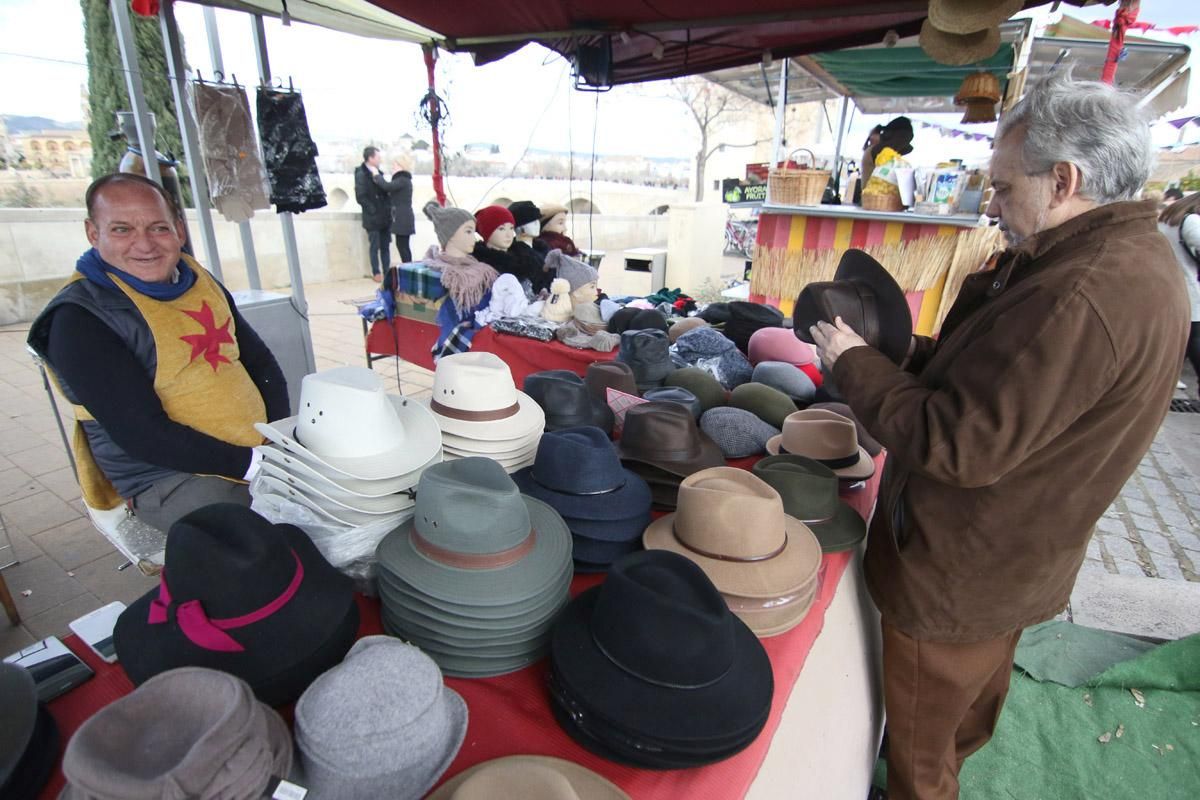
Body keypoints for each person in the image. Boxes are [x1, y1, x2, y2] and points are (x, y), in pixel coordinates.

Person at [810, 72, 1187, 800]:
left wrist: (853, 364)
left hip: (964, 570)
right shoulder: (1124, 259)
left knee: (921, 762)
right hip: (1018, 557)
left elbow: (960, 443)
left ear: (1064, 180)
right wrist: (907, 353)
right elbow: (1007, 382)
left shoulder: (1081, 292)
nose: (993, 204)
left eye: (1006, 186)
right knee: (959, 724)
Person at [27, 173, 289, 533]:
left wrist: (277, 438)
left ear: (179, 231)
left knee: (342, 505)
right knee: (260, 537)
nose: (145, 244)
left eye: (158, 228)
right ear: (93, 233)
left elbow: (260, 363)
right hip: (168, 475)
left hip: (252, 449)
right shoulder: (78, 320)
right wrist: (253, 464)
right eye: (122, 230)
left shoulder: (198, 280)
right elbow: (143, 434)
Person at [1160, 191, 1200, 394]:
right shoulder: (1191, 221)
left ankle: (1166, 380)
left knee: (1179, 343)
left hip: (1167, 290)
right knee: (1193, 340)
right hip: (1188, 293)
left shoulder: (1166, 219)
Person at [354, 146, 391, 282]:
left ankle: (387, 272)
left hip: (384, 217)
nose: (380, 159)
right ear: (370, 158)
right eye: (378, 157)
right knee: (374, 246)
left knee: (385, 246)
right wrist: (373, 210)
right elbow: (361, 196)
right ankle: (376, 272)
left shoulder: (378, 173)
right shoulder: (361, 174)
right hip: (373, 218)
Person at [374, 157, 415, 264]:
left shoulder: (402, 180)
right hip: (403, 217)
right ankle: (408, 266)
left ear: (402, 166)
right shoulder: (404, 180)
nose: (393, 167)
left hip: (403, 217)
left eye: (395, 165)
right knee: (403, 245)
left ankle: (408, 267)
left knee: (403, 246)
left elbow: (387, 186)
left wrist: (377, 175)